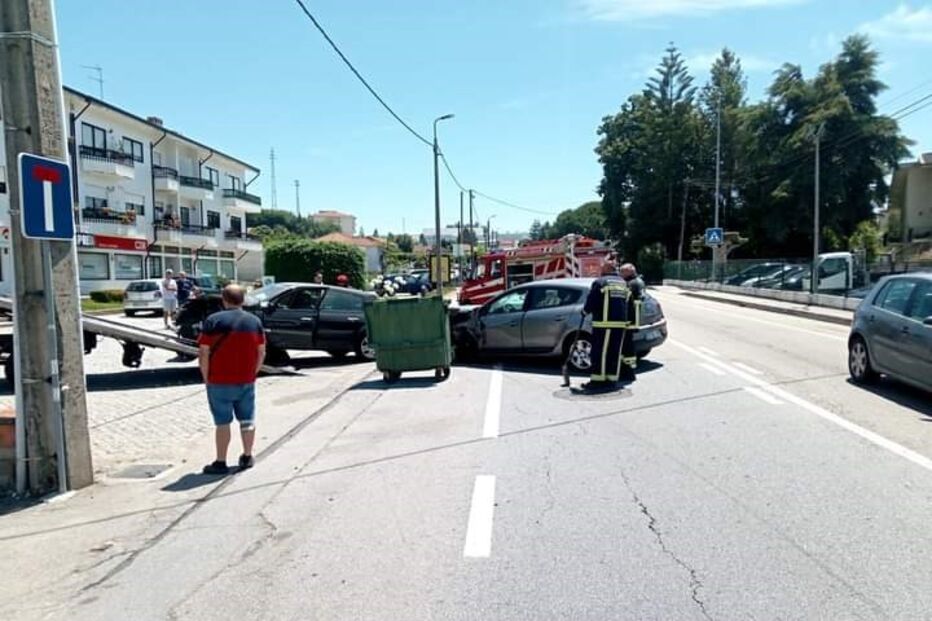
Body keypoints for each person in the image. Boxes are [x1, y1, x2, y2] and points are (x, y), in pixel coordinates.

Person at [197, 284, 266, 475]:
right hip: (246, 380)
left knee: (222, 422)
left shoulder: (213, 321)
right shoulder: (254, 322)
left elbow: (203, 352)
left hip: (218, 381)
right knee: (247, 420)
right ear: (243, 300)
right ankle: (247, 456)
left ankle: (220, 462)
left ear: (223, 299)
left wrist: (206, 377)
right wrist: (253, 372)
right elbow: (261, 351)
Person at [580, 254, 636, 392]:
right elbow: (630, 304)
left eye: (601, 267)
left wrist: (585, 312)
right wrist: (629, 323)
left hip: (603, 325)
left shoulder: (600, 282)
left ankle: (597, 381)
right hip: (620, 325)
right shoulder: (623, 283)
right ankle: (611, 380)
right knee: (614, 353)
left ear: (605, 269)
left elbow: (592, 301)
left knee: (600, 353)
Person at [619, 262, 645, 376]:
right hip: (634, 318)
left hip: (630, 319)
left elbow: (627, 300)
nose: (620, 274)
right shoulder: (638, 281)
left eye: (622, 272)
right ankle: (629, 367)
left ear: (629, 271)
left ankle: (627, 370)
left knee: (627, 345)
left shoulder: (631, 283)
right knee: (628, 344)